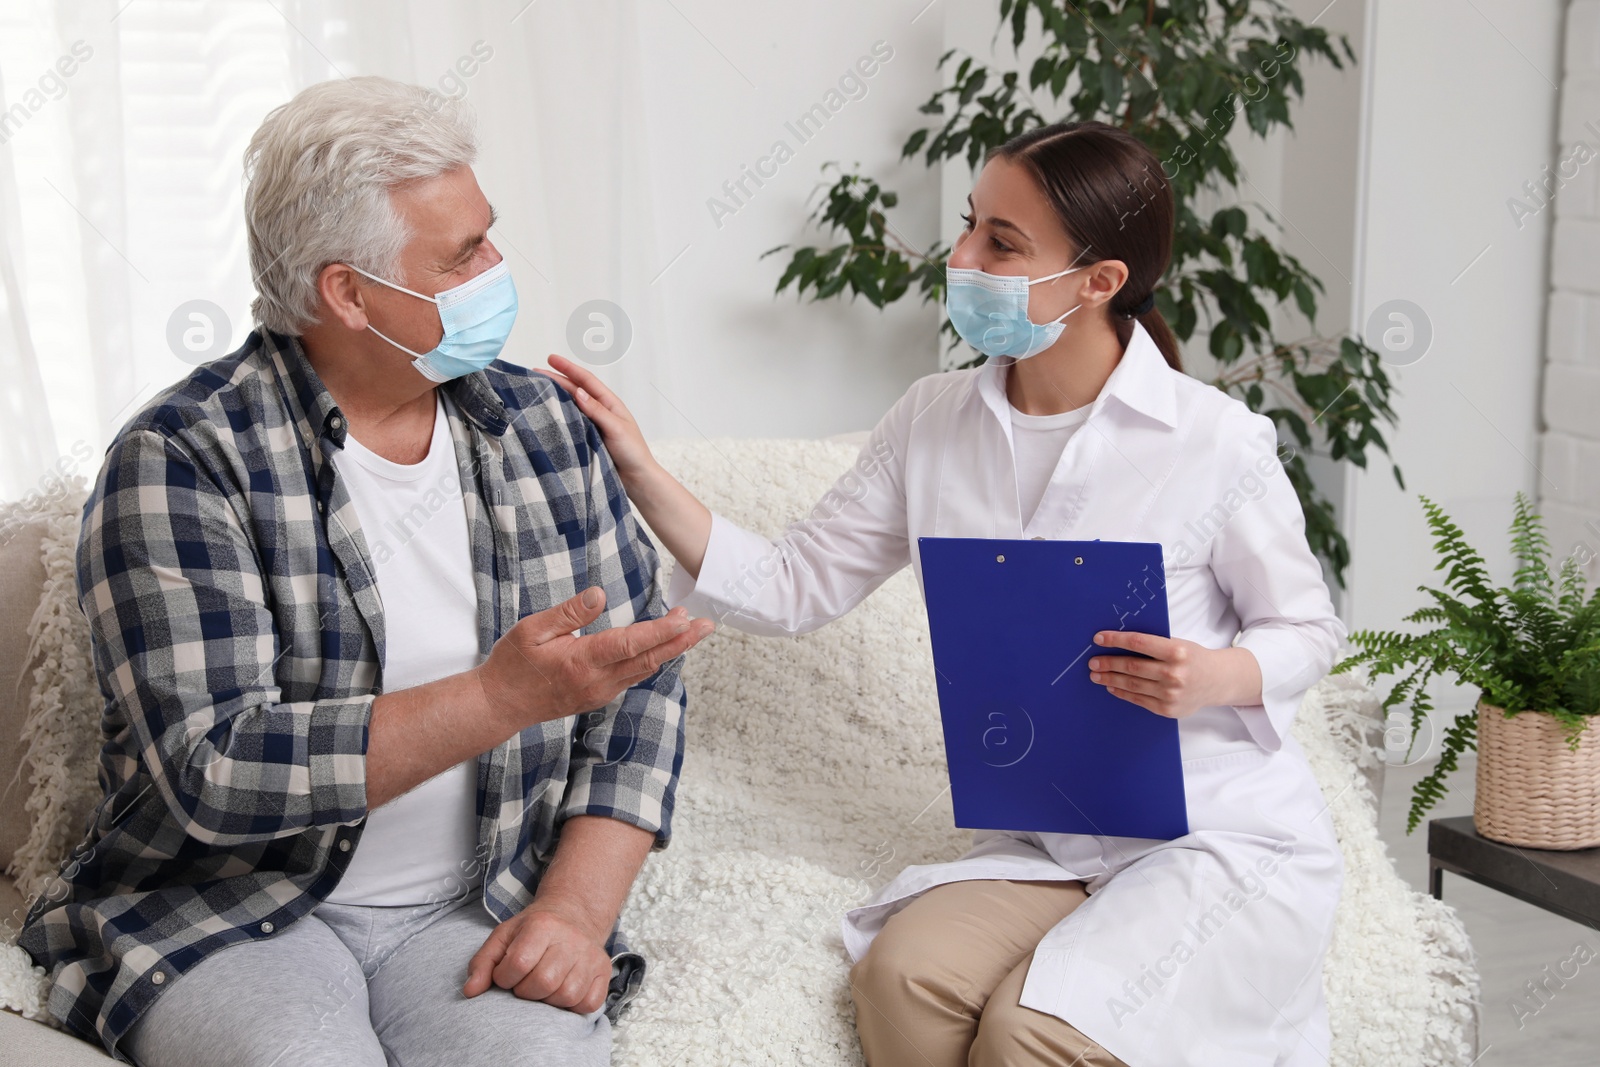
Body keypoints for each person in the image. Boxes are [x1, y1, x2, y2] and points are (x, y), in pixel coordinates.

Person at [538, 120, 1346, 1066]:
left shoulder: (1214, 441)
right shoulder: (931, 420)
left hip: (1210, 836)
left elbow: (1309, 626)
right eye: (971, 226)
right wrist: (638, 464)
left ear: (1102, 282)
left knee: (1027, 1034)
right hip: (1053, 838)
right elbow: (793, 585)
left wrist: (1216, 674)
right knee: (903, 980)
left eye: (1001, 242)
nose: (960, 257)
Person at [17, 76, 714, 1067]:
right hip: (230, 906)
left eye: (489, 235)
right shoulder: (182, 460)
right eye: (463, 254)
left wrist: (571, 908)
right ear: (346, 291)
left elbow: (638, 695)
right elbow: (213, 771)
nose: (497, 268)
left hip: (479, 899)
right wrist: (493, 697)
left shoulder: (545, 426)